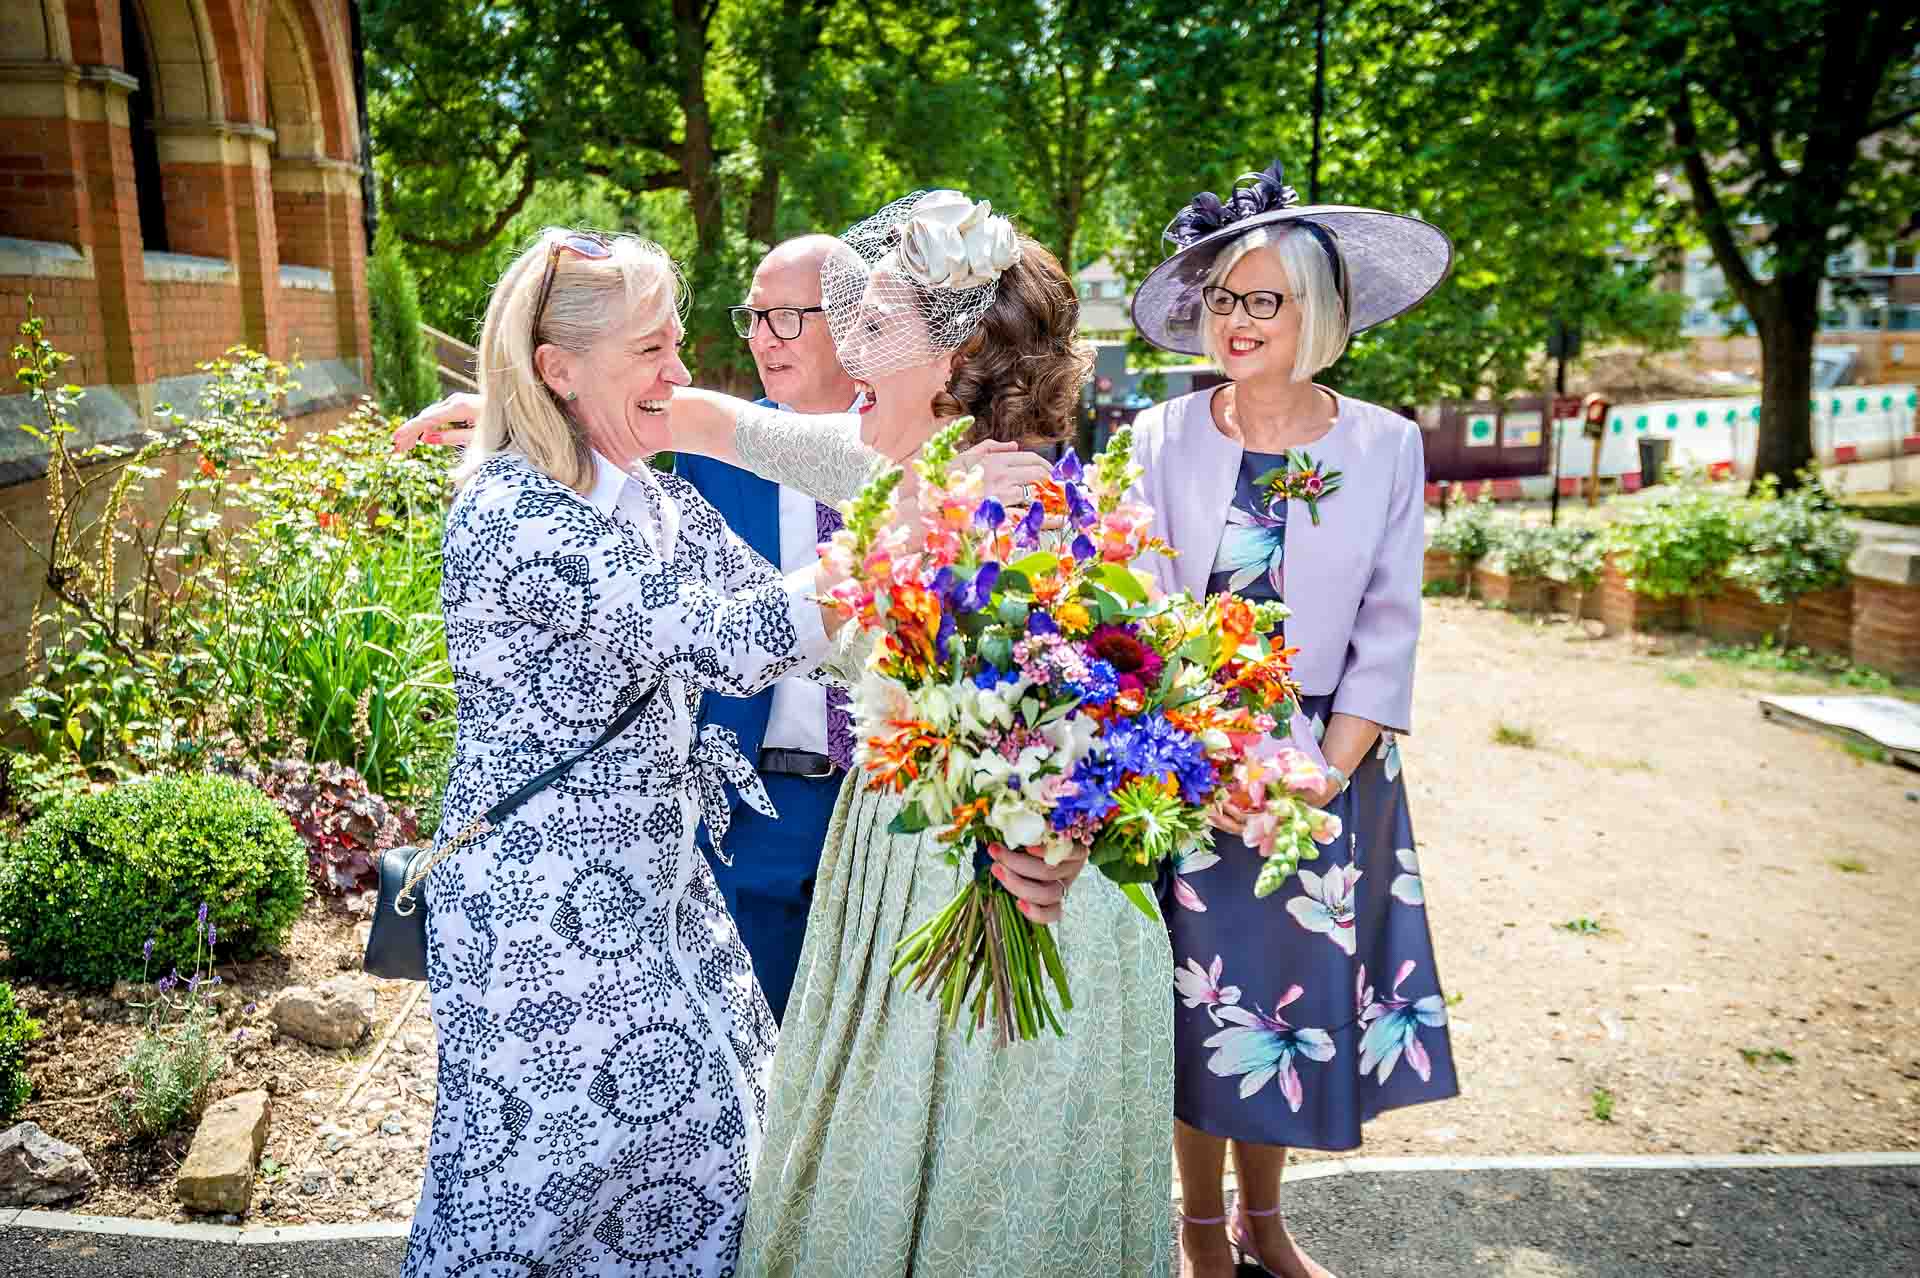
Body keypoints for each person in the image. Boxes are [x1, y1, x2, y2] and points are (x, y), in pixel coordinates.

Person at [399, 191, 1173, 1277]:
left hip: (942, 896)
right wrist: (520, 419)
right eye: (652, 346)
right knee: (567, 1182)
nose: (845, 346)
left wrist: (1059, 826)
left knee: (810, 1172)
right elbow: (731, 602)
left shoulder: (995, 493)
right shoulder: (535, 510)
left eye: (876, 327)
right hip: (585, 905)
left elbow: (1100, 690)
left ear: (949, 362)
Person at [400, 229, 846, 1278]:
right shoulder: (514, 512)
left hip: (661, 891)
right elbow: (728, 640)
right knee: (537, 1201)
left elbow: (801, 633)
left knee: (711, 1157)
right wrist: (906, 541)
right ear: (558, 370)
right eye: (653, 351)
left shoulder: (657, 498)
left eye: (679, 344)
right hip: (542, 922)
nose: (681, 375)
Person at [1127, 163, 1459, 1278]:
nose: (1236, 320)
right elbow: (1132, 606)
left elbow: (1391, 623)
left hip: (1330, 769)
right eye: (1224, 298)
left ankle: (1266, 1225)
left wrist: (1324, 769)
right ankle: (1197, 1228)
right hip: (1185, 764)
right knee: (1197, 999)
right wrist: (1197, 755)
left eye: (1263, 299)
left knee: (1282, 1000)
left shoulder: (1384, 444)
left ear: (1315, 313)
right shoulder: (1159, 437)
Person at [677, 235, 864, 1022]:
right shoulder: (714, 454)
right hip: (755, 805)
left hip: (888, 805)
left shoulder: (918, 442)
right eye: (754, 319)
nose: (761, 339)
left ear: (854, 324)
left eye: (785, 319)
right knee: (759, 1043)